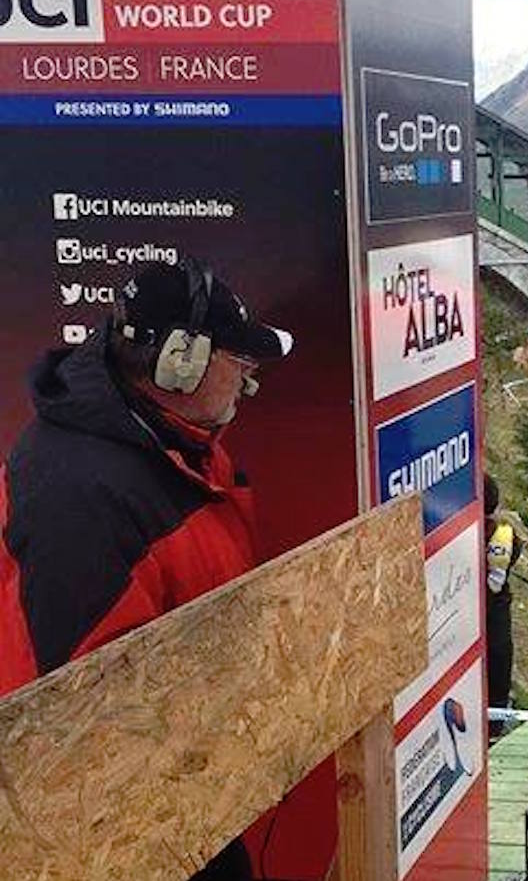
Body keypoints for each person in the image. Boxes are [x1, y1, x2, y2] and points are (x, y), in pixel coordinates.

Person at [0, 259, 293, 879]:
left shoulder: (172, 442)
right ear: (179, 363)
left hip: (188, 787)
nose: (249, 378)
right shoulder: (81, 503)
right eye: (238, 359)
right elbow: (87, 718)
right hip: (120, 827)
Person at [483, 473, 523, 733]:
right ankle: (495, 729)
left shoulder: (494, 537)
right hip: (494, 619)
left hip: (484, 620)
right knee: (497, 677)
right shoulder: (503, 537)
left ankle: (494, 728)